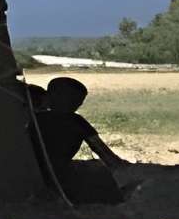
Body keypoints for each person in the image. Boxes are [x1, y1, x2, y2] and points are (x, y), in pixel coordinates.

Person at [27, 76, 133, 208]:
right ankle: (119, 201)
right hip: (59, 175)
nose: (77, 105)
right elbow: (105, 154)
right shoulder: (76, 121)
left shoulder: (31, 119)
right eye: (75, 101)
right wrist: (126, 169)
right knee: (97, 168)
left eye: (79, 102)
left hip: (31, 171)